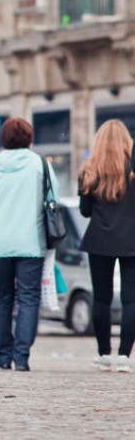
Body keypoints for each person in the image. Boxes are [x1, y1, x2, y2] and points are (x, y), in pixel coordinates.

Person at [0, 117, 56, 372]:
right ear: (29, 138)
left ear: (2, 138)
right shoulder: (39, 165)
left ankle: (2, 355)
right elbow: (52, 198)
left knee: (1, 300)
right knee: (28, 298)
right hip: (31, 242)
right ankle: (21, 357)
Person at [78, 119, 135, 373]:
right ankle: (124, 355)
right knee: (131, 299)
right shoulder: (132, 171)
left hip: (99, 240)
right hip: (131, 239)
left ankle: (104, 353)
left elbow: (85, 211)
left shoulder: (90, 171)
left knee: (100, 298)